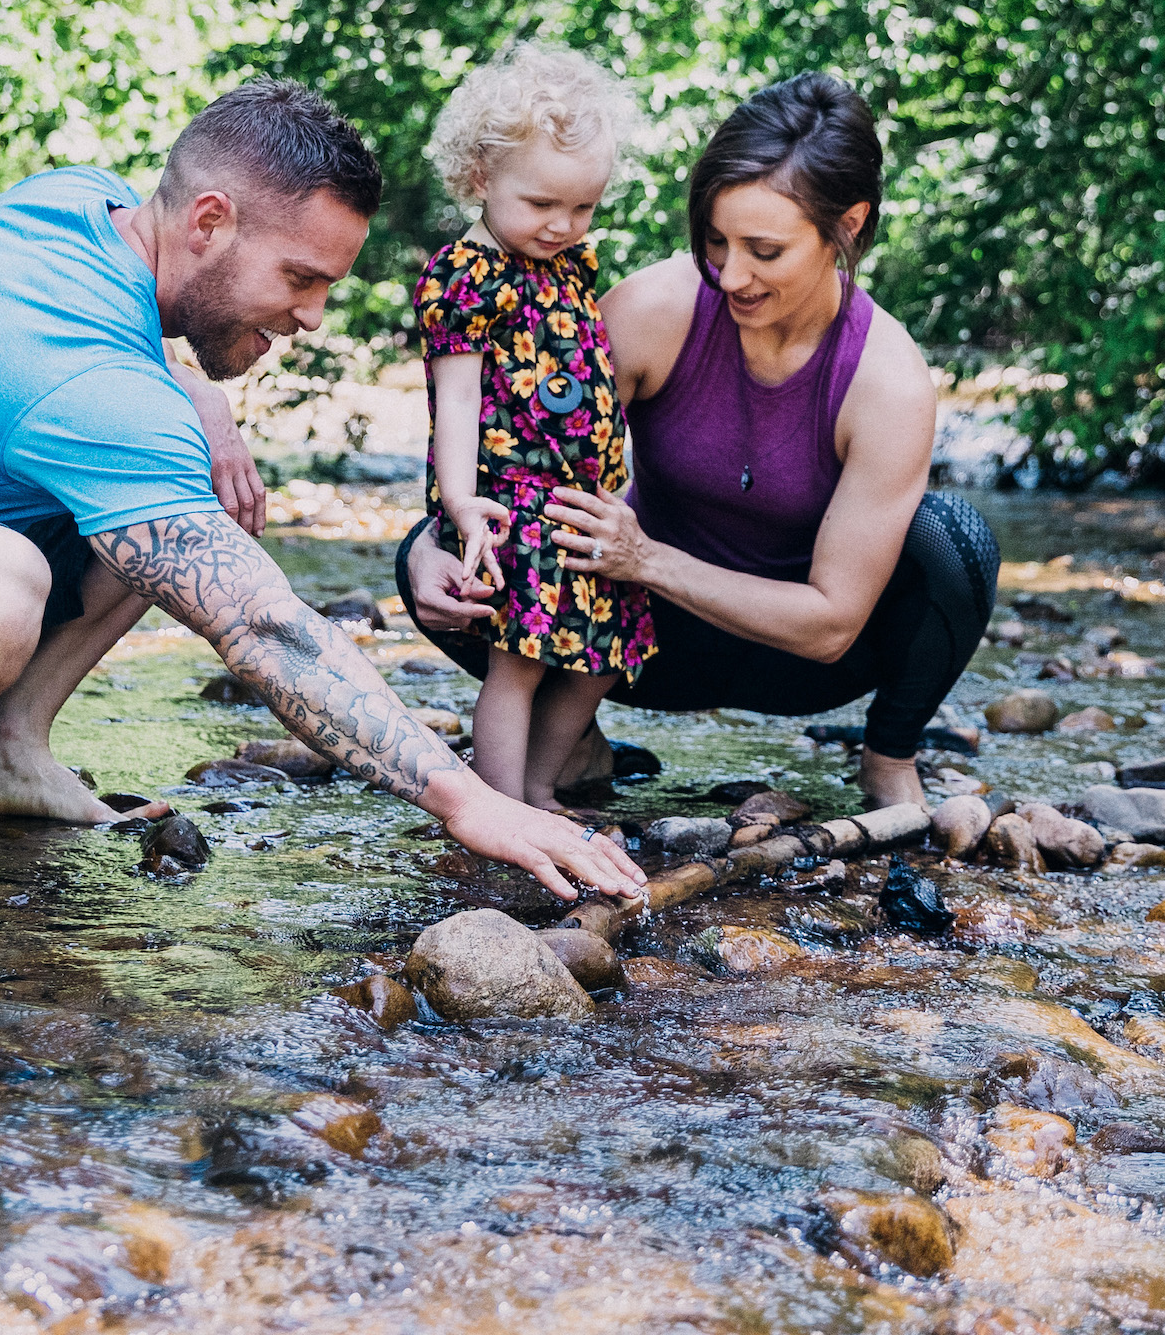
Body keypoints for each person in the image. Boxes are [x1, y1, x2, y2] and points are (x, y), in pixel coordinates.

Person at [0, 80, 645, 901]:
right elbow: (262, 627)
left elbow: (112, 338)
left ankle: (6, 751)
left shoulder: (80, 198)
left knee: (163, 487)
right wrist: (472, 802)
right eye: (299, 277)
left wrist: (200, 394)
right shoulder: (85, 380)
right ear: (209, 220)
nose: (314, 315)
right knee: (8, 581)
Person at [396, 74, 1000, 811]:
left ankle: (888, 756)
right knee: (440, 552)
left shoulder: (888, 382)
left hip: (801, 657)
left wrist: (647, 559)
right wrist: (434, 545)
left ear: (848, 225)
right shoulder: (658, 306)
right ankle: (566, 746)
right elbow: (516, 449)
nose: (731, 275)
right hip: (643, 642)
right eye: (716, 241)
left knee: (954, 542)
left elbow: (833, 625)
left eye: (764, 250)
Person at [413, 44, 655, 809]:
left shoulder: (569, 264)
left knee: (598, 657)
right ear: (481, 179)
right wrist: (458, 505)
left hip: (582, 506)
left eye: (583, 207)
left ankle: (542, 786)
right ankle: (502, 804)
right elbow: (454, 401)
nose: (563, 225)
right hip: (509, 503)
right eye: (543, 205)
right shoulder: (466, 278)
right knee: (516, 662)